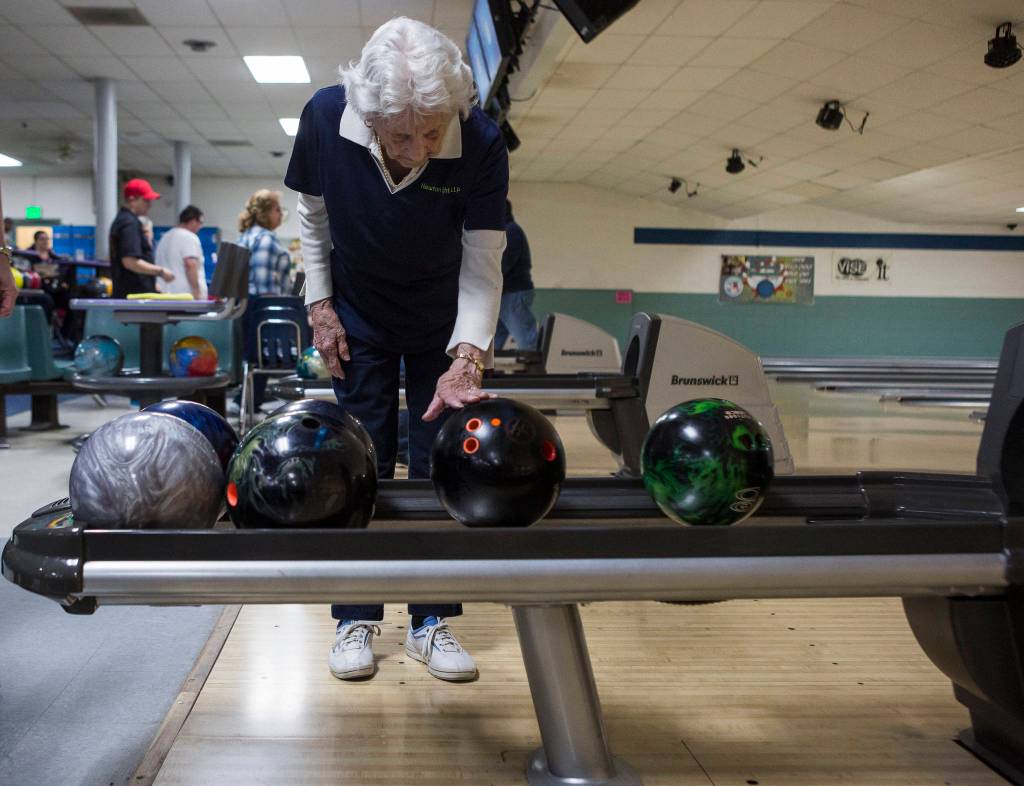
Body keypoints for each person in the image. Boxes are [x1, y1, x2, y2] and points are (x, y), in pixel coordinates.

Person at [286, 17, 508, 683]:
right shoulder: (326, 117)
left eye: (431, 131)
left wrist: (467, 356)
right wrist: (320, 308)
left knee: (437, 457)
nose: (417, 147)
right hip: (358, 310)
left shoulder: (483, 140)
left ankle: (429, 619)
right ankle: (357, 612)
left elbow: (484, 258)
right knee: (362, 457)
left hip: (441, 313)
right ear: (368, 112)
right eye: (402, 134)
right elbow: (313, 216)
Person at [235, 190, 292, 412]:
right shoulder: (266, 239)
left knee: (252, 357)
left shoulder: (247, 236)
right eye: (278, 209)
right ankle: (250, 402)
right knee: (262, 356)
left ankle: (248, 401)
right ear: (265, 212)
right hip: (261, 307)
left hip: (247, 305)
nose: (280, 215)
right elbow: (264, 284)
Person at [109, 178, 174, 298]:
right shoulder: (129, 223)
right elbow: (130, 261)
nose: (150, 205)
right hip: (134, 297)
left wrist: (152, 283)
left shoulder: (123, 221)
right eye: (146, 200)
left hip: (132, 293)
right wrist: (160, 271)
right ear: (132, 199)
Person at [494, 200, 539, 351]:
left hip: (513, 293)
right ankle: (486, 371)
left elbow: (503, 264)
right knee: (494, 340)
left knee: (526, 340)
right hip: (505, 294)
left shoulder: (511, 231)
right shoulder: (505, 232)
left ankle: (535, 372)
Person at [155, 205, 206, 299]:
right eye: (200, 223)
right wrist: (197, 292)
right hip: (185, 296)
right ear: (193, 221)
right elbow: (190, 264)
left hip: (164, 294)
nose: (200, 227)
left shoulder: (165, 237)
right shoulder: (189, 237)